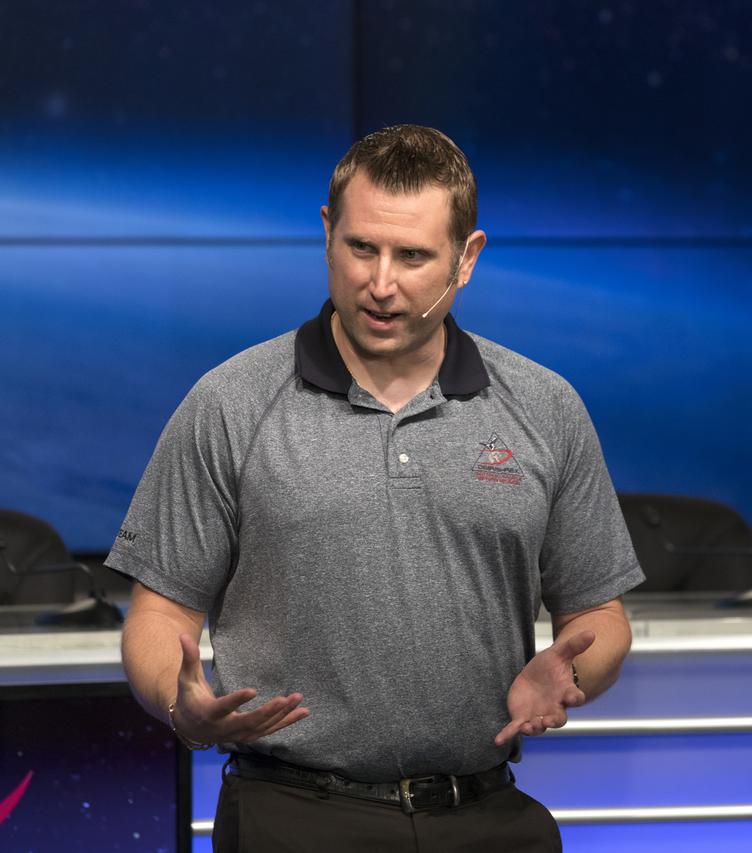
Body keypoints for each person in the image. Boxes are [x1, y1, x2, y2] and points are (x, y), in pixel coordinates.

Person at [107, 125, 645, 852]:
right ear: (328, 234)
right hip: (291, 813)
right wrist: (180, 701)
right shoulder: (230, 403)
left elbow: (601, 613)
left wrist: (575, 669)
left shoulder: (545, 408)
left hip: (488, 813)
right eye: (361, 247)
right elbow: (158, 614)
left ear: (467, 258)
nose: (381, 283)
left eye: (414, 256)